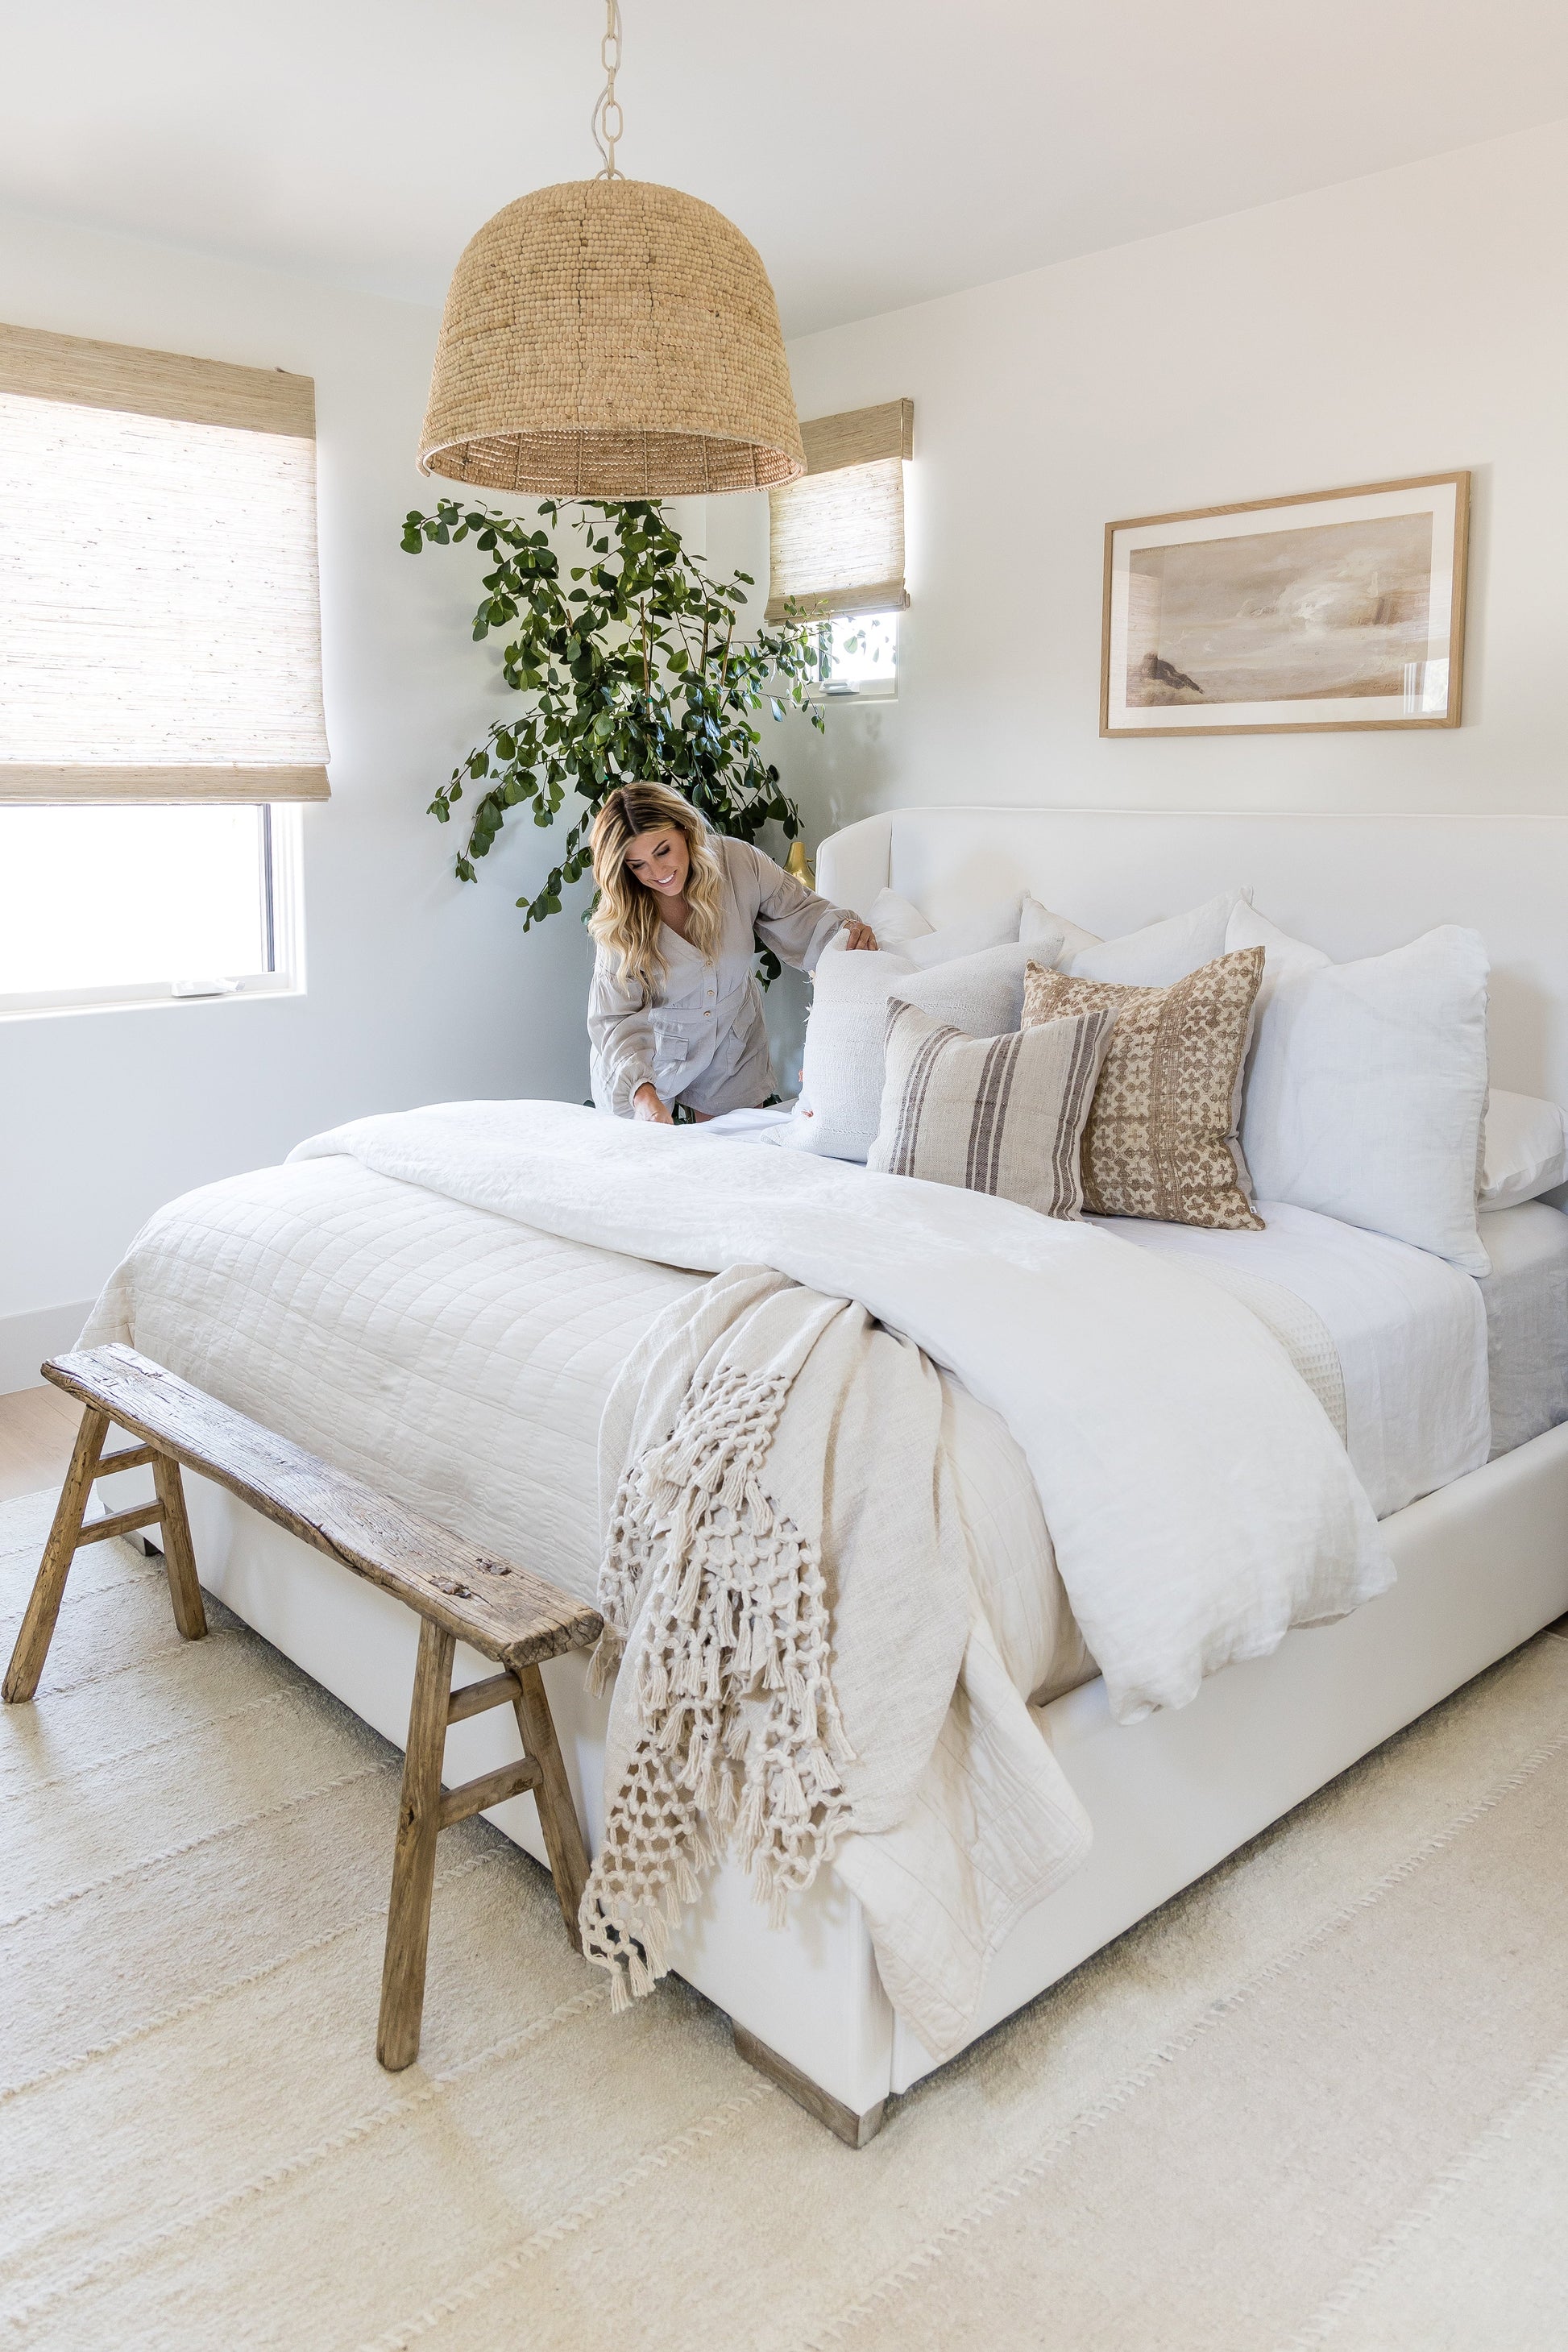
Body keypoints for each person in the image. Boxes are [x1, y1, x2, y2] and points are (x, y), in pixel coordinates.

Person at [587, 781, 877, 1122]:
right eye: (638, 865)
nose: (658, 873)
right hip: (647, 1052)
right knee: (648, 1165)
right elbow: (615, 1018)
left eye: (663, 851)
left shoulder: (738, 863)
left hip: (733, 1040)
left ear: (684, 829)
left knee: (733, 1161)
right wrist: (643, 1096)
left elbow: (803, 917)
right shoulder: (622, 917)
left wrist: (847, 937)